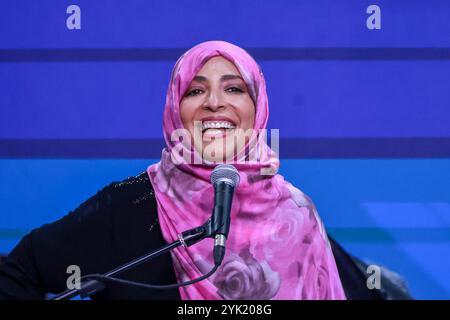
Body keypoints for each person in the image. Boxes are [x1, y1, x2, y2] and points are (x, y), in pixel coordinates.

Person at [0, 41, 411, 300]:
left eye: (234, 88)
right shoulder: (130, 203)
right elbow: (17, 274)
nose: (215, 102)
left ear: (258, 108)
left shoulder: (297, 214)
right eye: (195, 90)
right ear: (175, 109)